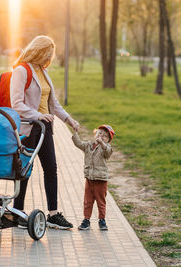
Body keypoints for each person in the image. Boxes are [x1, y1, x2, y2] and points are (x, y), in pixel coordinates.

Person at [10, 35, 80, 230]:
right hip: (29, 127)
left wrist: (68, 119)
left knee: (51, 168)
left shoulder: (43, 71)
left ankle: (53, 214)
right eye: (47, 54)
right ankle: (18, 213)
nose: (49, 58)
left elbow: (53, 104)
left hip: (45, 128)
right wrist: (37, 115)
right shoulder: (21, 71)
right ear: (38, 51)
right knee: (24, 169)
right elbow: (16, 103)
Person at [71, 125, 115, 231]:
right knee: (88, 201)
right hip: (89, 179)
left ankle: (102, 220)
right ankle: (86, 220)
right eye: (100, 133)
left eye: (105, 136)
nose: (102, 136)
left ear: (108, 140)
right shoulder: (89, 145)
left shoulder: (106, 148)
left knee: (101, 201)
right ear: (95, 134)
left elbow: (107, 152)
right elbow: (78, 143)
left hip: (100, 180)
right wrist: (75, 133)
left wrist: (102, 143)